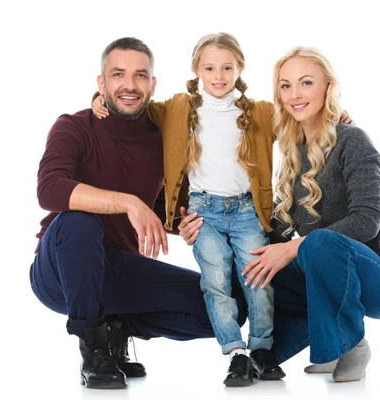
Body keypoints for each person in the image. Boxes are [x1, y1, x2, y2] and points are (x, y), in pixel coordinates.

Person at [93, 33, 351, 387]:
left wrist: (336, 114)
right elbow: (133, 107)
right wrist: (98, 98)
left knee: (258, 280)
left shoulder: (260, 112)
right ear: (197, 69)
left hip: (247, 211)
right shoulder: (178, 108)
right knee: (215, 283)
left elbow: (300, 117)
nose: (218, 76)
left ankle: (261, 349)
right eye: (210, 67)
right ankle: (236, 354)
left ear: (239, 68)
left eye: (227, 67)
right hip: (203, 213)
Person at [29, 37, 249, 390]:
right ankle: (94, 350)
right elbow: (50, 189)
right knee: (78, 221)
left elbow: (164, 205)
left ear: (153, 84)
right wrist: (130, 202)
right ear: (101, 84)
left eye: (140, 76)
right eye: (118, 75)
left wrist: (190, 222)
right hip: (60, 270)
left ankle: (117, 328)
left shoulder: (162, 135)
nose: (129, 85)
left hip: (115, 272)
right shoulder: (73, 126)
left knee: (229, 307)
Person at [182, 46, 380, 382]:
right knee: (251, 268)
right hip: (324, 275)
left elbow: (367, 221)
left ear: (326, 88)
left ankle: (351, 344)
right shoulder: (293, 151)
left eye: (306, 83)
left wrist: (293, 248)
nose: (295, 94)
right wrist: (205, 229)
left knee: (317, 244)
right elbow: (276, 231)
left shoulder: (353, 141)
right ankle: (314, 342)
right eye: (286, 85)